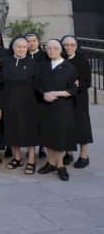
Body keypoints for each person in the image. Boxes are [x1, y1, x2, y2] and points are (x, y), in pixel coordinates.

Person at [36, 39, 78, 181]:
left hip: (62, 107)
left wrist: (57, 93)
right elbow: (36, 84)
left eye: (55, 48)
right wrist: (44, 94)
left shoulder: (70, 68)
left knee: (60, 137)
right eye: (49, 48)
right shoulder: (42, 66)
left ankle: (60, 166)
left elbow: (73, 89)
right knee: (48, 135)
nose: (51, 50)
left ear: (60, 50)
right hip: (45, 105)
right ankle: (50, 163)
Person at [1, 37, 37, 175]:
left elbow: (38, 82)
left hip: (28, 103)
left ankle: (31, 160)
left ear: (27, 48)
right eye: (18, 46)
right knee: (13, 129)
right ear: (13, 48)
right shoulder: (6, 61)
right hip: (10, 102)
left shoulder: (33, 63)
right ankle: (17, 157)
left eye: (24, 47)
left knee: (29, 131)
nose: (21, 49)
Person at [61, 35, 92, 168]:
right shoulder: (60, 58)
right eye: (66, 45)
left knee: (81, 126)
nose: (69, 47)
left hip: (79, 99)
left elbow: (87, 82)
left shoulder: (82, 60)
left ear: (76, 46)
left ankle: (84, 155)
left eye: (72, 45)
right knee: (67, 125)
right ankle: (68, 153)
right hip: (64, 98)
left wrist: (77, 85)